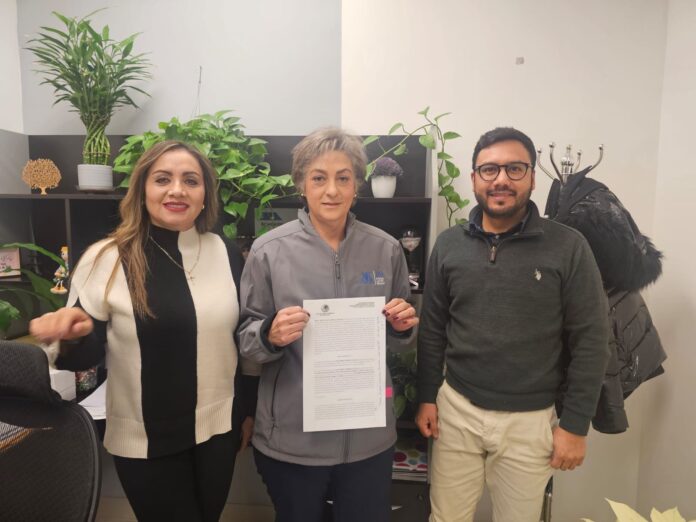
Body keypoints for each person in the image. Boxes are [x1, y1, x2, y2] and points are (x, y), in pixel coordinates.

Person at [29, 140, 258, 522]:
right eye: (162, 179)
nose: (177, 190)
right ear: (142, 190)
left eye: (191, 180)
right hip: (145, 438)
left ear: (205, 194)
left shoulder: (226, 252)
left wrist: (246, 411)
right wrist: (73, 335)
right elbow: (85, 356)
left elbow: (241, 338)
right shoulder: (107, 258)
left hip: (218, 430)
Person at [416, 127, 610, 522]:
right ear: (474, 178)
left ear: (533, 178)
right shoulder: (449, 245)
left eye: (514, 169)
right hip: (456, 410)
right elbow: (433, 328)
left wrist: (575, 425)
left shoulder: (568, 247)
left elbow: (591, 340)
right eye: (489, 170)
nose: (501, 179)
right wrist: (426, 397)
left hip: (529, 421)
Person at [238, 128, 419, 522]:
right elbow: (246, 341)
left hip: (368, 440)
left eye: (343, 178)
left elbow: (401, 338)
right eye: (319, 178)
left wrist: (402, 326)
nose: (332, 190)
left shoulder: (386, 249)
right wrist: (269, 334)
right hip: (293, 442)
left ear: (357, 185)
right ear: (301, 184)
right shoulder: (268, 251)